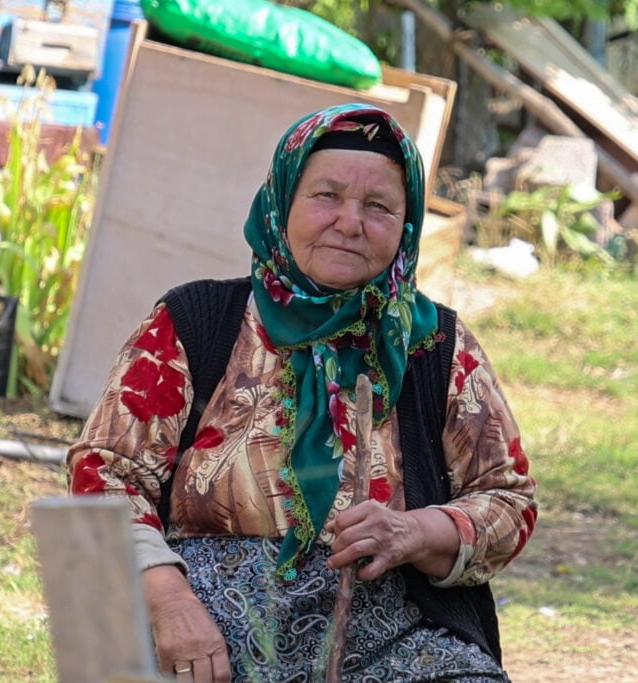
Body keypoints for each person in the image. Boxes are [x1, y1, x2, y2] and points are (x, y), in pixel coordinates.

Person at [67, 103, 537, 682]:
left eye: (378, 206)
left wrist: (412, 531)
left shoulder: (435, 344)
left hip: (389, 635)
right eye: (326, 196)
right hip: (199, 631)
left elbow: (508, 500)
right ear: (282, 202)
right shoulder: (196, 322)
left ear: (406, 226)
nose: (349, 221)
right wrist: (166, 600)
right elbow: (105, 473)